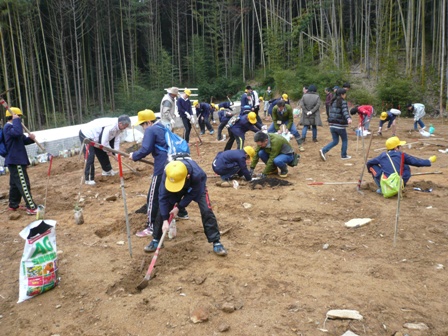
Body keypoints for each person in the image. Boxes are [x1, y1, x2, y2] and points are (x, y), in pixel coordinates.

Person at [145, 159, 228, 256]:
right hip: (174, 188)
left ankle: (216, 242)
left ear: (188, 176)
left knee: (206, 210)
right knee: (163, 209)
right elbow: (162, 197)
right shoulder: (168, 172)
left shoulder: (198, 174)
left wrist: (179, 207)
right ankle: (156, 239)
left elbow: (192, 193)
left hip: (195, 188)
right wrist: (164, 220)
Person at [129, 110, 168, 237]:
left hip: (162, 166)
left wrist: (134, 155)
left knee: (153, 196)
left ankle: (152, 226)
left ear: (149, 122)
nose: (143, 128)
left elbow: (146, 149)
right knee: (170, 191)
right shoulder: (163, 126)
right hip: (172, 163)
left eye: (143, 125)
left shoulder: (151, 130)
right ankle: (181, 213)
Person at [366, 136, 436, 194]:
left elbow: (369, 163)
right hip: (397, 181)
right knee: (405, 166)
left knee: (372, 166)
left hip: (386, 181)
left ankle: (382, 188)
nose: (401, 147)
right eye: (400, 146)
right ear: (396, 148)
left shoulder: (382, 155)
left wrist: (377, 172)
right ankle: (399, 187)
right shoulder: (402, 155)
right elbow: (416, 162)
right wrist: (428, 161)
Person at [3, 107, 38, 215]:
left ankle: (13, 204)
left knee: (15, 184)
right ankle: (31, 207)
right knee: (24, 184)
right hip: (16, 161)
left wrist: (30, 139)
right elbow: (18, 133)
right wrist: (16, 120)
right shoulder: (8, 128)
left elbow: (22, 140)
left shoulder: (13, 128)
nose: (20, 120)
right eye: (20, 117)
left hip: (15, 160)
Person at [79, 115, 131, 184]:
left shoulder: (119, 128)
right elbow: (104, 142)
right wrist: (109, 151)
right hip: (87, 135)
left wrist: (116, 154)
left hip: (97, 137)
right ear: (120, 123)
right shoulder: (111, 126)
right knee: (90, 155)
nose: (125, 128)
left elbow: (116, 141)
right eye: (125, 126)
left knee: (102, 151)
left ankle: (107, 171)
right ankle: (88, 179)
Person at [319, 88, 352, 161]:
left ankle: (323, 150)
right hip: (339, 125)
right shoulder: (342, 102)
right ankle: (344, 155)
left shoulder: (332, 101)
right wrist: (348, 118)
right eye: (345, 94)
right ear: (342, 94)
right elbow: (345, 111)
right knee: (344, 140)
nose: (345, 95)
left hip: (332, 125)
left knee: (335, 141)